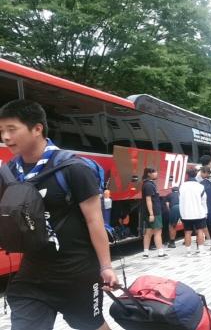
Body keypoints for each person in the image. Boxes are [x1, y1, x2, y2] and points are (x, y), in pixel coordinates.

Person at [0, 99, 118, 330]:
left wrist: (106, 267)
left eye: (12, 129)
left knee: (92, 325)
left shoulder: (74, 169)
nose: (5, 137)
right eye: (1, 131)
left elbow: (95, 221)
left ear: (37, 128)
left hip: (77, 273)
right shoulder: (9, 173)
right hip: (32, 275)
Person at [179, 168, 208, 257]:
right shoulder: (200, 186)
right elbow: (204, 201)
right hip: (198, 213)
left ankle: (188, 251)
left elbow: (180, 200)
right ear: (196, 175)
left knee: (187, 232)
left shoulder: (182, 186)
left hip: (186, 214)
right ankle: (201, 250)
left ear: (187, 175)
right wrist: (205, 212)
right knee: (200, 231)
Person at [142, 167, 167, 258]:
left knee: (148, 232)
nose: (156, 173)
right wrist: (151, 214)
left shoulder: (147, 184)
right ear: (149, 174)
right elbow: (148, 199)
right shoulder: (149, 185)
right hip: (154, 212)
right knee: (157, 232)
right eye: (154, 172)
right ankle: (160, 252)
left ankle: (146, 253)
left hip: (151, 212)